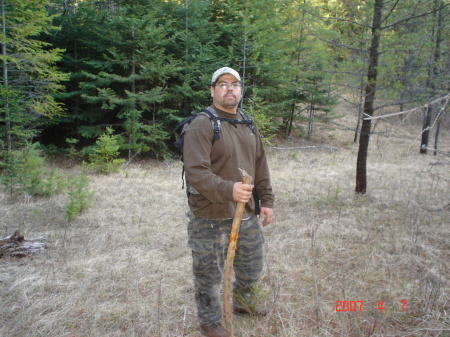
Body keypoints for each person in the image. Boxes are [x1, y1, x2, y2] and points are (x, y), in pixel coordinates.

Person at [182, 67, 275, 337]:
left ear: (241, 90)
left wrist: (266, 201)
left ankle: (244, 305)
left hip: (245, 214)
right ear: (213, 91)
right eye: (223, 84)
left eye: (235, 84)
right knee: (208, 275)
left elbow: (260, 165)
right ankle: (210, 322)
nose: (230, 89)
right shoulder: (201, 124)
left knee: (251, 266)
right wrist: (229, 189)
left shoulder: (248, 123)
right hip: (209, 217)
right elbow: (196, 172)